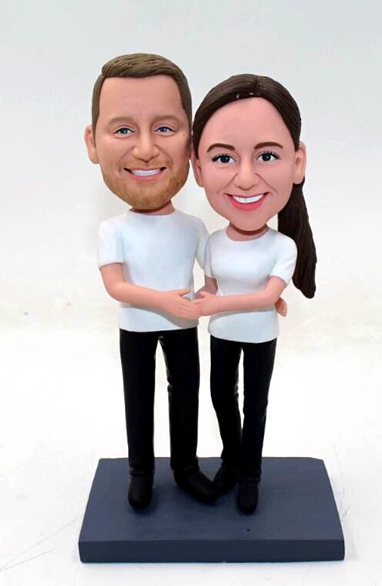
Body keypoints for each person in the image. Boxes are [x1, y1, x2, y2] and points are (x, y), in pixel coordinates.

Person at [84, 53, 216, 509]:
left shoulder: (193, 228)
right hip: (136, 327)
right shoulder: (112, 230)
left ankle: (186, 467)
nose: (144, 149)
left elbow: (215, 274)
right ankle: (140, 471)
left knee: (186, 394)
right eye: (123, 130)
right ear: (93, 143)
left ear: (192, 141)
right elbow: (116, 287)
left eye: (164, 128)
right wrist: (165, 301)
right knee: (138, 397)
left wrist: (218, 297)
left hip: (184, 327)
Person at [191, 74, 317, 513]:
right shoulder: (212, 242)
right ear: (198, 168)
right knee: (221, 397)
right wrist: (189, 300)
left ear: (297, 163)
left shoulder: (282, 247)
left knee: (255, 405)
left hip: (260, 335)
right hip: (222, 334)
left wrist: (217, 304)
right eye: (224, 158)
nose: (245, 179)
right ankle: (231, 458)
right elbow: (210, 285)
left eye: (266, 155)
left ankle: (250, 474)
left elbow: (266, 297)